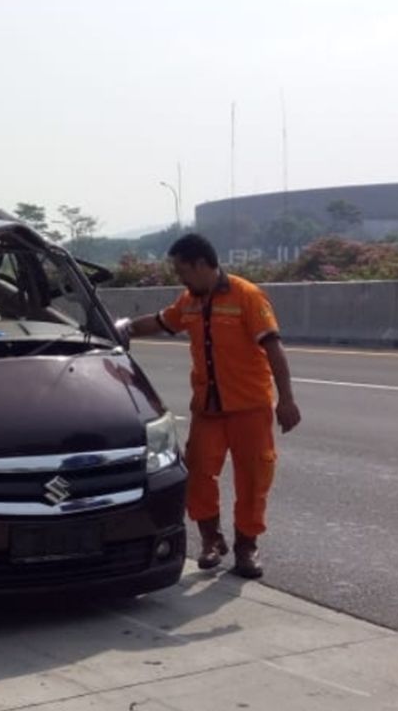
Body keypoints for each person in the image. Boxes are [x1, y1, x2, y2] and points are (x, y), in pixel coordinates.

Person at [124, 233, 300, 578]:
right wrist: (123, 329)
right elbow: (160, 322)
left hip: (249, 408)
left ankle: (247, 548)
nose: (180, 278)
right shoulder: (188, 301)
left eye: (182, 271)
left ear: (201, 265)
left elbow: (275, 350)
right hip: (208, 410)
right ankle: (210, 540)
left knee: (253, 479)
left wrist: (287, 400)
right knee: (198, 476)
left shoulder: (247, 296)